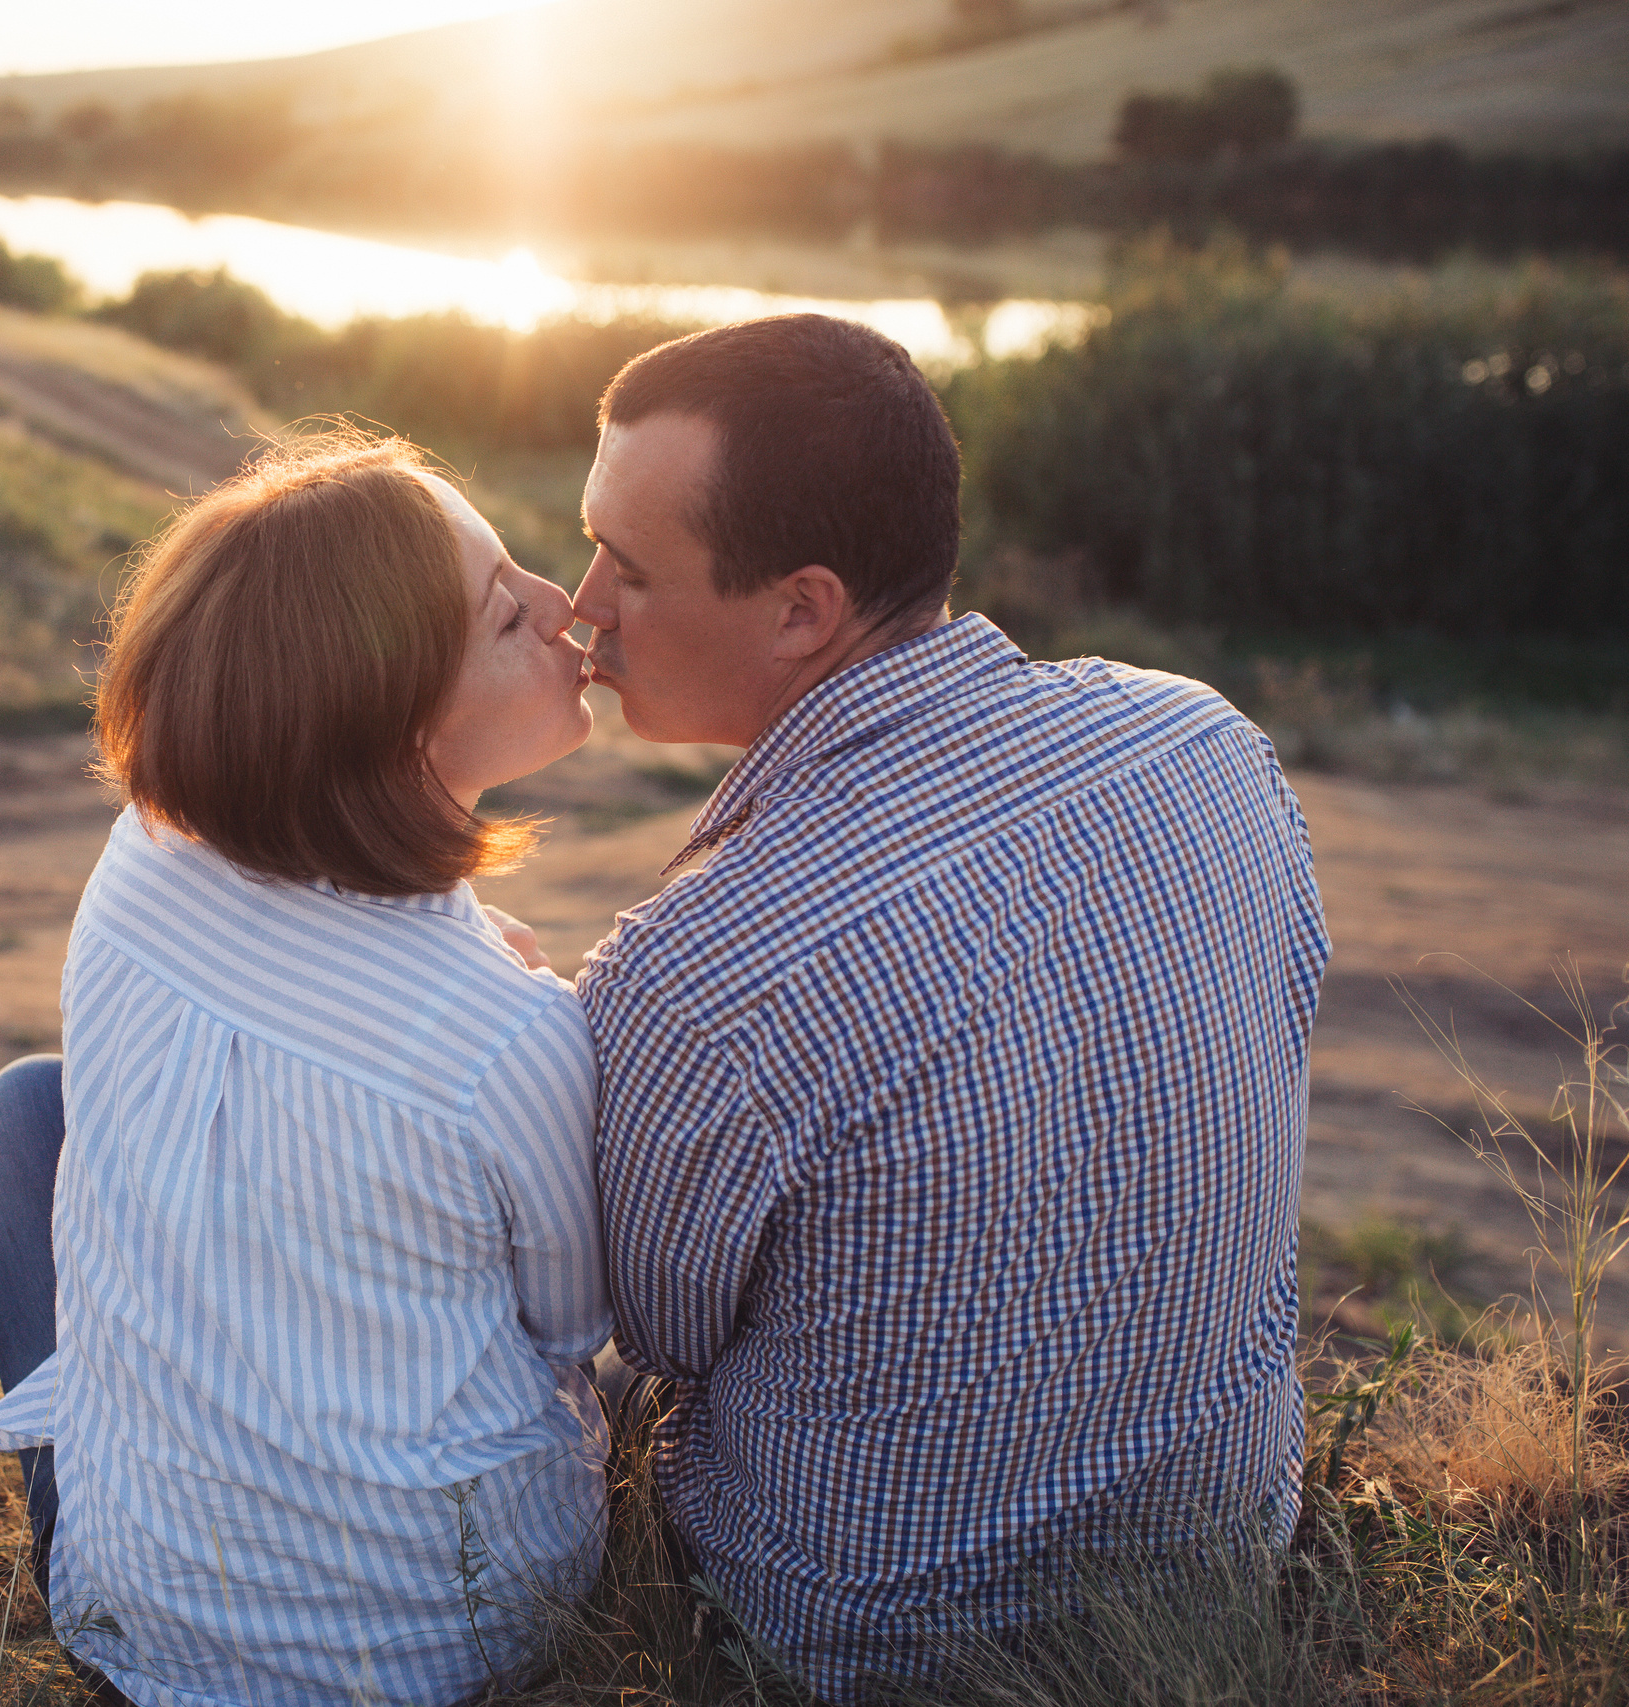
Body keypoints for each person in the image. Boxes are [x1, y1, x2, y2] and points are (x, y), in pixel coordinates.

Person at [567, 315, 1328, 1699]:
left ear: (801, 606)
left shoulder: (697, 967)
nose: (582, 606)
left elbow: (659, 1329)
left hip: (863, 1645)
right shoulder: (1208, 741)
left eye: (627, 565)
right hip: (1217, 1556)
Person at [0, 434, 612, 1706]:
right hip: (448, 1638)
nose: (564, 606)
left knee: (25, 1112)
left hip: (133, 1622)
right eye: (503, 614)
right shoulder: (511, 1035)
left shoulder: (141, 861)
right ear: (388, 719)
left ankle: (124, 1541)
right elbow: (572, 1326)